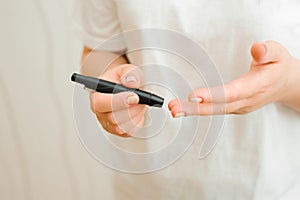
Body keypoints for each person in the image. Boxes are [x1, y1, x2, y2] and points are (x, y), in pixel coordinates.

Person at [73, 0, 300, 199]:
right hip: (145, 186)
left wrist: (287, 82)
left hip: (268, 189)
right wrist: (115, 77)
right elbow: (100, 49)